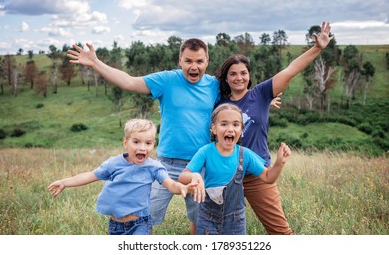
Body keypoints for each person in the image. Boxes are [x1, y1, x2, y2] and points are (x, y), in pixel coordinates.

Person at [66, 39, 219, 234]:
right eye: (188, 61)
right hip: (165, 164)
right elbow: (129, 81)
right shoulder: (167, 80)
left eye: (199, 61)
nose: (194, 66)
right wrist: (96, 63)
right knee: (143, 216)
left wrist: (268, 99)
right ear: (180, 60)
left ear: (207, 61)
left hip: (199, 164)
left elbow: (242, 95)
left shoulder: (214, 85)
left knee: (201, 219)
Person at [215, 22, 333, 234]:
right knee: (220, 232)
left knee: (280, 232)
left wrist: (317, 48)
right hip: (224, 175)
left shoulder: (260, 94)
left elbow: (290, 70)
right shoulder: (219, 103)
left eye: (243, 73)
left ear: (249, 75)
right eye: (233, 74)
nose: (239, 78)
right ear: (225, 77)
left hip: (258, 173)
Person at [48, 119, 198, 235]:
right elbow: (91, 175)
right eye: (136, 142)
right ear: (125, 143)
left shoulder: (154, 167)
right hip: (115, 225)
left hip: (140, 224)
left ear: (154, 145)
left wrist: (183, 187)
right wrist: (64, 182)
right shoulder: (114, 164)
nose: (142, 147)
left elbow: (170, 184)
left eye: (148, 143)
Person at [178, 103, 291, 235]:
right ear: (214, 129)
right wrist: (194, 176)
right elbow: (182, 177)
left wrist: (279, 163)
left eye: (236, 124)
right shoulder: (205, 152)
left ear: (242, 130)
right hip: (207, 218)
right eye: (224, 124)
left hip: (235, 222)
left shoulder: (245, 154)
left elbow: (268, 177)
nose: (230, 129)